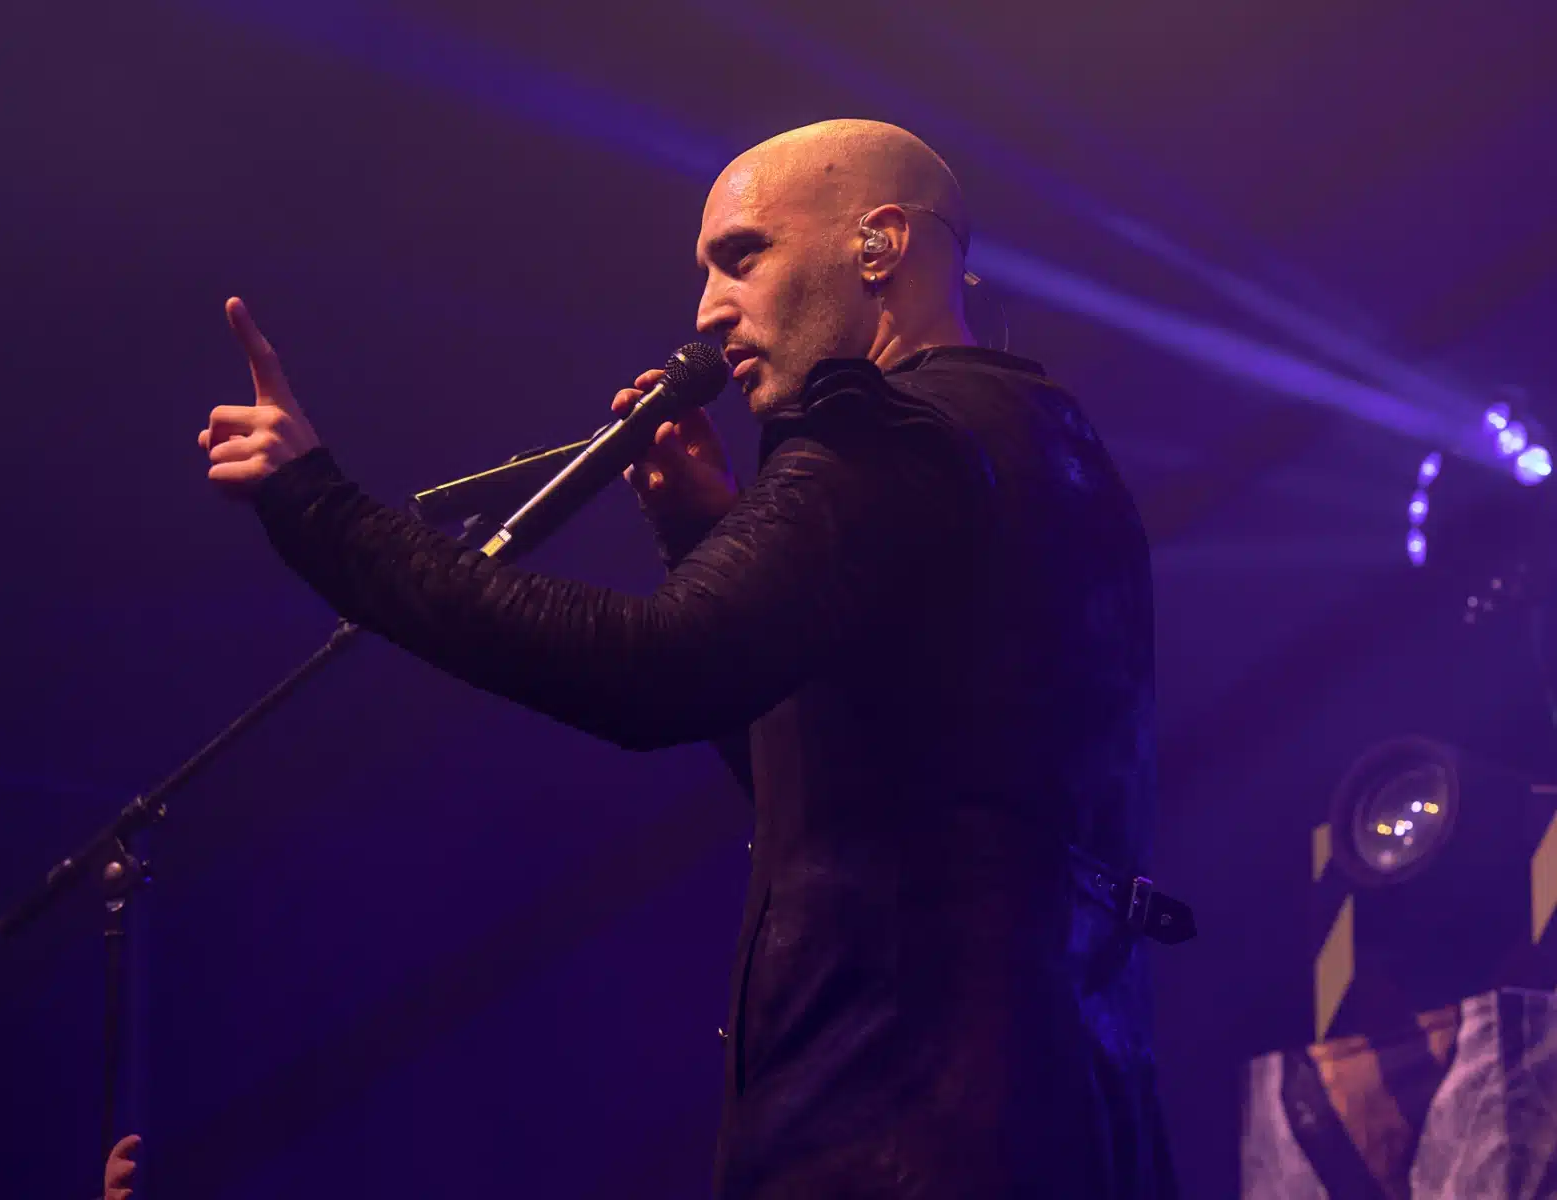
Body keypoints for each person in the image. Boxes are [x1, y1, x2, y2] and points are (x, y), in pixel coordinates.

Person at [196, 119, 1175, 1198]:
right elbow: (853, 791)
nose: (708, 308)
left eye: (741, 256)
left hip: (896, 1128)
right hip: (1061, 1116)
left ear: (880, 245)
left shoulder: (885, 430)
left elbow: (652, 670)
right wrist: (706, 538)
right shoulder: (1047, 441)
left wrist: (322, 514)